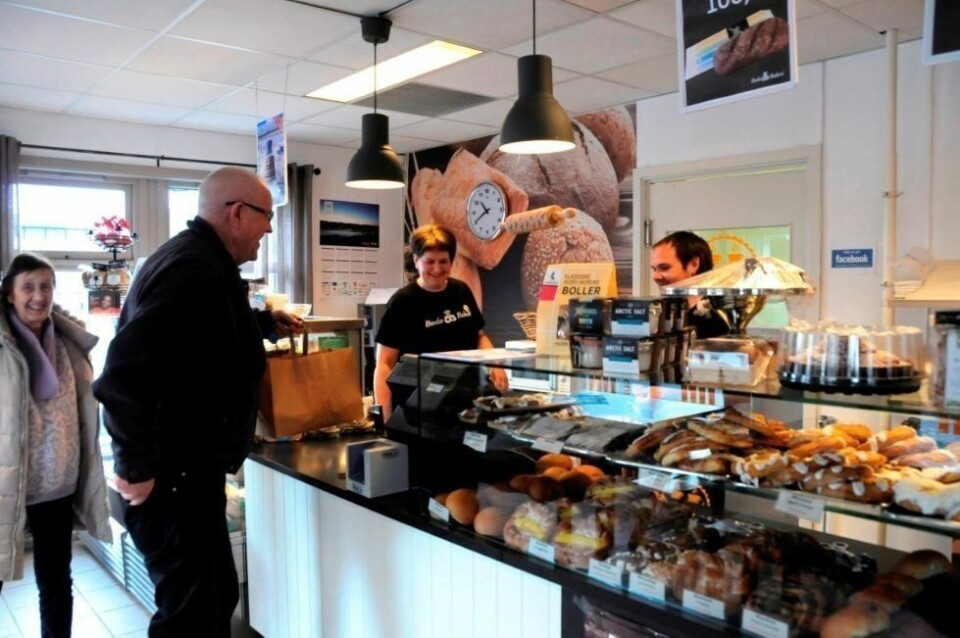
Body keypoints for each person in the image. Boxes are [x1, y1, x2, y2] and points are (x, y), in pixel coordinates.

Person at [92, 167, 302, 637]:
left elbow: (206, 334)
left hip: (187, 479)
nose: (269, 229)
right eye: (266, 217)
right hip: (172, 484)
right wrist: (136, 467)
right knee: (193, 617)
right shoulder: (194, 269)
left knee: (214, 599)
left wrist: (265, 322)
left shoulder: (201, 263)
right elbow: (123, 376)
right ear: (237, 213)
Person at [0, 252, 112, 637]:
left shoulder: (69, 341)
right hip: (5, 484)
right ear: (10, 294)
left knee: (55, 582)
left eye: (45, 286)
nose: (38, 296)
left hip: (56, 484)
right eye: (27, 287)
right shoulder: (1, 345)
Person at [374, 224, 507, 419]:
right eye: (430, 261)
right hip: (421, 405)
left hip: (465, 397)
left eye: (443, 261)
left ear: (451, 261)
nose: (437, 268)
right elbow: (384, 364)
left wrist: (495, 363)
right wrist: (385, 417)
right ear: (416, 261)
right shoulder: (403, 301)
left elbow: (479, 337)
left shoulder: (461, 291)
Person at [650, 231, 730, 339]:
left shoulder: (718, 320)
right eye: (654, 269)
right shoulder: (660, 312)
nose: (655, 277)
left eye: (664, 268)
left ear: (693, 264)